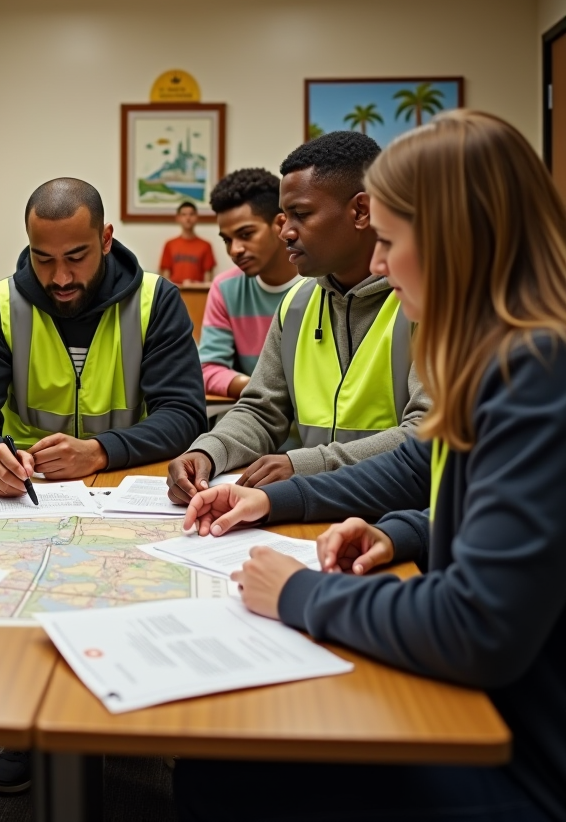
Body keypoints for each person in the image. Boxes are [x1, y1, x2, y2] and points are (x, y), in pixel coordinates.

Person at [174, 110, 564, 822]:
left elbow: (476, 624)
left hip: (526, 758)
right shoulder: (510, 356)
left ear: (456, 243)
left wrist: (296, 593)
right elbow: (433, 475)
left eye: (389, 241)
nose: (380, 264)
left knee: (228, 764)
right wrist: (403, 532)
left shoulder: (534, 375)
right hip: (501, 710)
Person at [0, 177, 206, 796]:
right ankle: (29, 727)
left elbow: (183, 412)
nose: (59, 277)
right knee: (26, 603)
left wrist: (103, 450)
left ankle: (139, 711)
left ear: (106, 239)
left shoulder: (156, 301)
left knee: (137, 601)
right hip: (29, 498)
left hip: (129, 492)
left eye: (76, 257)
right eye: (43, 258)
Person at [168, 131, 428, 496]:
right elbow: (261, 411)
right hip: (314, 506)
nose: (286, 231)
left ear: (360, 211)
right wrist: (208, 452)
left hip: (397, 514)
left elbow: (427, 432)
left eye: (301, 214)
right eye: (284, 216)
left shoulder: (423, 300)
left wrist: (306, 464)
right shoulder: (296, 304)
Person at [199, 168, 299, 399]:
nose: (234, 250)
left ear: (281, 225)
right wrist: (262, 389)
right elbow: (207, 369)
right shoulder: (225, 288)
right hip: (257, 423)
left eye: (246, 234)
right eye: (227, 240)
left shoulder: (321, 284)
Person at [159, 200, 216, 285]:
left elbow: (208, 280)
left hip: (197, 293)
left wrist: (193, 285)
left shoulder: (206, 245)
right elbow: (165, 277)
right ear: (178, 218)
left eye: (191, 214)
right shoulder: (169, 244)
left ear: (197, 217)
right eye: (184, 214)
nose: (188, 218)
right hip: (175, 293)